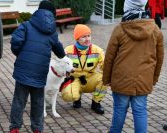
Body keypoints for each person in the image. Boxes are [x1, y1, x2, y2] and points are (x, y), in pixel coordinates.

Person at [102, 0, 164, 132]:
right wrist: (154, 79)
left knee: (119, 110)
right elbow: (159, 59)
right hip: (144, 79)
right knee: (140, 111)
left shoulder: (120, 29)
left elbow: (109, 57)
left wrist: (106, 79)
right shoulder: (155, 30)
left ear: (127, 7)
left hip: (121, 79)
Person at [9, 1, 66, 133]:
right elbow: (61, 53)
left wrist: (21, 55)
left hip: (23, 71)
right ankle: (37, 129)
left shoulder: (26, 25)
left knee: (19, 101)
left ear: (38, 10)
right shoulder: (52, 32)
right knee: (38, 103)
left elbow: (15, 42)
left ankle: (15, 128)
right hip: (40, 73)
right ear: (53, 14)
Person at [64, 24, 108, 114]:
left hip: (91, 78)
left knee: (105, 78)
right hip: (75, 78)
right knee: (69, 96)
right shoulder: (68, 51)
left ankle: (96, 103)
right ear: (77, 38)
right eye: (83, 37)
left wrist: (111, 75)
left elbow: (105, 66)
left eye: (89, 36)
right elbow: (61, 66)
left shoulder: (97, 50)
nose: (87, 39)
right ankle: (77, 97)